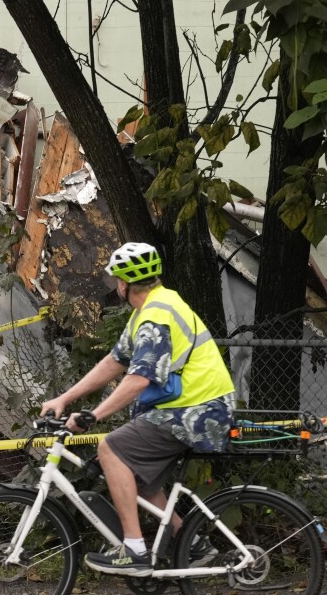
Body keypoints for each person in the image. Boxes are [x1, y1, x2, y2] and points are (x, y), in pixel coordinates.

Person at [39, 242, 236, 576]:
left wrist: (93, 416)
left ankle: (134, 550)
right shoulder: (152, 309)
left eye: (115, 279)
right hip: (193, 407)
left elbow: (138, 380)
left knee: (111, 448)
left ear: (123, 284)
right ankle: (190, 541)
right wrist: (64, 399)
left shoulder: (155, 317)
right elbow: (114, 362)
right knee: (135, 474)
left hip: (198, 412)